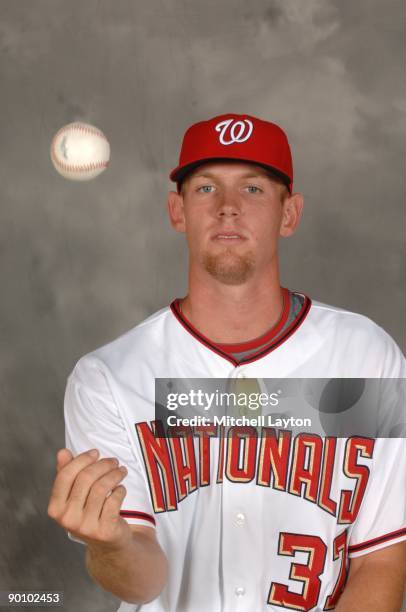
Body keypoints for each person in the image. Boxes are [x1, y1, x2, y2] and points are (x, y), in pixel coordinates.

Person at [48, 113, 406, 611]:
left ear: (289, 214)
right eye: (206, 188)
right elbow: (142, 580)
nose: (228, 208)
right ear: (177, 211)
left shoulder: (364, 357)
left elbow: (382, 561)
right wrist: (111, 547)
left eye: (254, 189)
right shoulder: (109, 377)